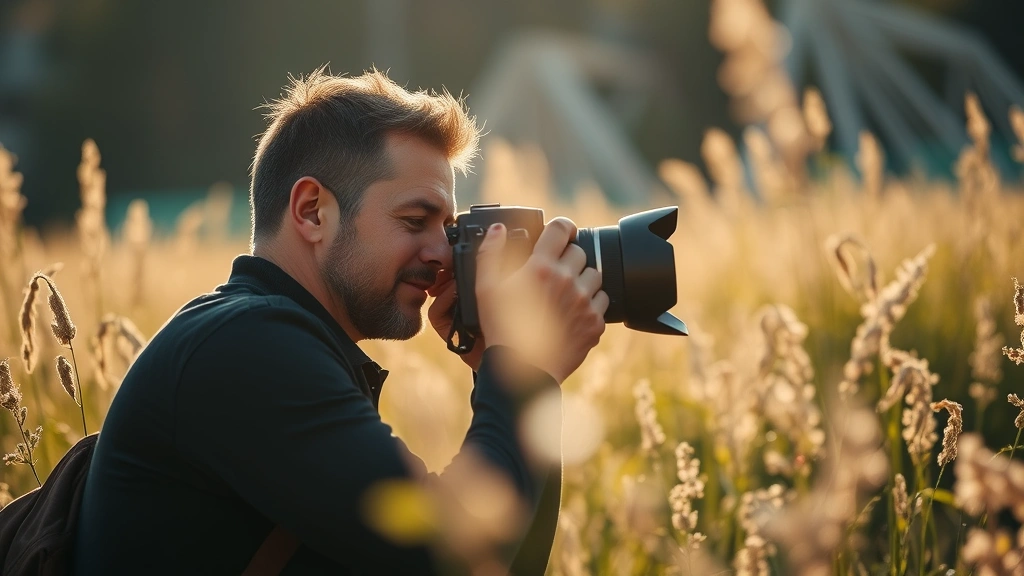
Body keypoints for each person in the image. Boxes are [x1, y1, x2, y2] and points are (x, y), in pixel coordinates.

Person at [72, 67, 608, 575]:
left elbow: (497, 563)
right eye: (416, 220)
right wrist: (522, 367)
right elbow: (447, 552)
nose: (443, 253)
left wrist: (506, 366)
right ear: (312, 211)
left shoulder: (272, 341)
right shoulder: (247, 348)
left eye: (448, 227)